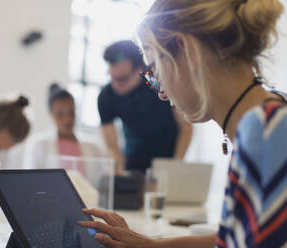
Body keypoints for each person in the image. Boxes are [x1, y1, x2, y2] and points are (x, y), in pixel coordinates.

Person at [80, 0, 287, 247]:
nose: (161, 93)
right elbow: (232, 236)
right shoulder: (269, 118)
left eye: (155, 70)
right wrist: (152, 246)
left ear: (185, 49)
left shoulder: (266, 131)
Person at [98, 40, 193, 173]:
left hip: (166, 162)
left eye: (122, 79)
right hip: (133, 164)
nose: (116, 84)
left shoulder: (154, 82)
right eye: (112, 78)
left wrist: (176, 163)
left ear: (140, 70)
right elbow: (112, 147)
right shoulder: (107, 96)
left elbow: (186, 125)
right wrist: (117, 172)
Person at [23, 83, 102, 171]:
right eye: (60, 114)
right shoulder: (38, 144)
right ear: (51, 113)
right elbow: (31, 180)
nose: (67, 120)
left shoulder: (93, 146)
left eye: (71, 112)